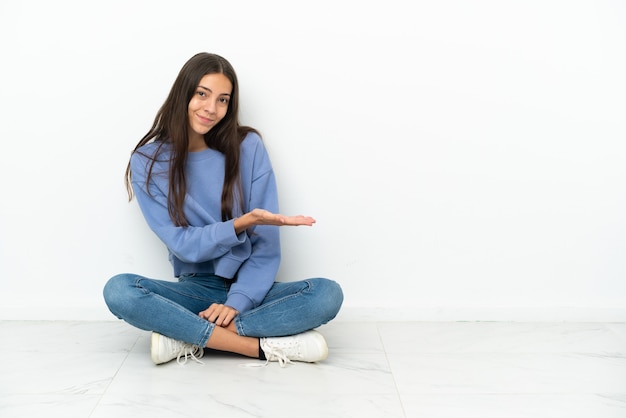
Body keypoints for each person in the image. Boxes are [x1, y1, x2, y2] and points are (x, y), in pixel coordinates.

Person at [103, 52, 343, 367]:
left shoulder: (249, 147)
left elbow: (266, 248)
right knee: (120, 291)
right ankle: (257, 348)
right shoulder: (148, 162)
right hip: (196, 289)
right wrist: (239, 224)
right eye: (202, 94)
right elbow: (181, 243)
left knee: (326, 294)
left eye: (223, 100)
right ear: (183, 93)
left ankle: (185, 334)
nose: (211, 108)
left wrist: (239, 300)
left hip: (253, 287)